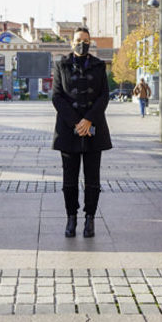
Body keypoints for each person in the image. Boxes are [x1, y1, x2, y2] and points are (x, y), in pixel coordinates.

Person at [52, 27, 112, 238]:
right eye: (78, 40)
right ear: (72, 43)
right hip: (69, 131)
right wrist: (77, 122)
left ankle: (90, 219)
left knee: (92, 179)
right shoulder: (61, 64)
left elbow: (104, 96)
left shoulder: (98, 65)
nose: (82, 44)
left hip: (94, 129)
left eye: (86, 41)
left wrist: (88, 120)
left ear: (90, 42)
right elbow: (57, 97)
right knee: (69, 179)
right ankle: (71, 218)